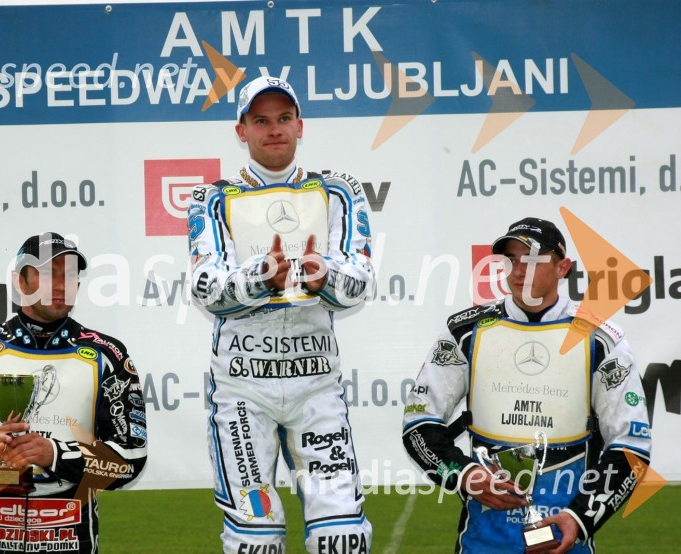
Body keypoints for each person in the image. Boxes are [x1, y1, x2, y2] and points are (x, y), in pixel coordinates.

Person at [188, 76, 375, 553]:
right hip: (242, 390)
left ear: (300, 126)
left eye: (284, 118)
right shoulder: (212, 198)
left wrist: (322, 276)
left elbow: (360, 281)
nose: (274, 129)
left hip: (316, 387)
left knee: (342, 536)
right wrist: (261, 278)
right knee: (255, 537)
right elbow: (205, 287)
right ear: (242, 131)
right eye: (261, 120)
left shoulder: (337, 191)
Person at [402, 217, 652, 553]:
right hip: (483, 542)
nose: (519, 271)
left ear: (563, 268)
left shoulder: (603, 340)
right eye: (511, 260)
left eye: (533, 260)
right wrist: (464, 475)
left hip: (565, 538)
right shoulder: (465, 332)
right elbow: (418, 423)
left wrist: (579, 518)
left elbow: (632, 446)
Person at [0, 232, 147, 554]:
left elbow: (131, 459)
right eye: (49, 273)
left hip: (71, 540)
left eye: (70, 275)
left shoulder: (107, 355)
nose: (61, 284)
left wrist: (54, 454)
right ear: (20, 282)